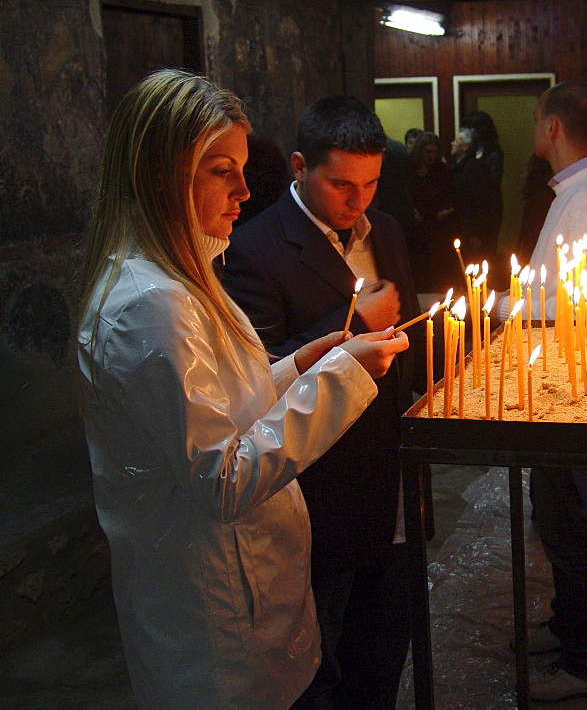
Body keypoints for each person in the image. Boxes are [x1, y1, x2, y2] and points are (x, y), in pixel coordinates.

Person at [76, 69, 408, 708]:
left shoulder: (186, 277)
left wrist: (298, 368)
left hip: (251, 591)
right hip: (217, 614)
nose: (244, 189)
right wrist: (342, 377)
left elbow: (220, 404)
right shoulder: (152, 307)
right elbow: (220, 477)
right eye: (219, 170)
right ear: (161, 174)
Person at [222, 94, 424, 709]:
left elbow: (406, 339)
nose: (358, 200)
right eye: (341, 184)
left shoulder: (383, 231)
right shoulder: (253, 248)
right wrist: (349, 323)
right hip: (319, 487)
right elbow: (256, 376)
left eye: (370, 183)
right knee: (318, 660)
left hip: (390, 477)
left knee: (385, 646)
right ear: (300, 166)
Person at [513, 80, 587, 703]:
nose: (536, 128)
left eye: (537, 118)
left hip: (567, 378)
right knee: (556, 512)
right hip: (557, 371)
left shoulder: (586, 199)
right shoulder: (580, 190)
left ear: (554, 126)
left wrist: (505, 308)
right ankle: (566, 624)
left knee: (564, 521)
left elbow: (575, 302)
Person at [451, 125, 502, 285]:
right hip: (464, 227)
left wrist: (476, 233)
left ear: (465, 146)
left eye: (457, 141)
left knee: (473, 268)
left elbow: (480, 202)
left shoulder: (473, 168)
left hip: (470, 230)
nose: (452, 143)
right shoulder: (461, 166)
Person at [409, 131, 454, 292]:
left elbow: (450, 195)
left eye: (434, 152)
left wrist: (445, 210)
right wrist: (410, 209)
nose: (431, 156)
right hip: (414, 224)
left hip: (435, 223)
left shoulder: (441, 170)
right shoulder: (409, 168)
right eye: (428, 152)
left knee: (435, 267)